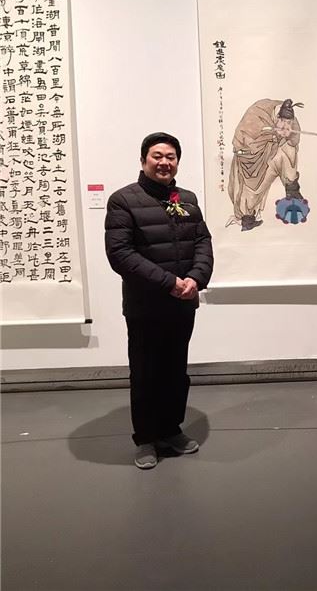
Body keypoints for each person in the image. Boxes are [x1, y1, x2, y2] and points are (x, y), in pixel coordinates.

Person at [105, 132, 213, 469]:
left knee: (176, 371)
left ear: (177, 162)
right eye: (157, 156)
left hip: (183, 303)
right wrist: (168, 282)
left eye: (171, 157)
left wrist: (196, 278)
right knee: (146, 372)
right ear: (143, 160)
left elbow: (203, 242)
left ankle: (170, 429)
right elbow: (120, 254)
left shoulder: (188, 199)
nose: (164, 162)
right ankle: (146, 438)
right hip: (145, 306)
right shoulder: (123, 201)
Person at [228, 98, 305, 231]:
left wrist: (287, 135)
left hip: (271, 154)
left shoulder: (292, 121)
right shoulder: (258, 113)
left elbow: (294, 140)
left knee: (288, 150)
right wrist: (272, 136)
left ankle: (292, 189)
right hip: (249, 156)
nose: (285, 124)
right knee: (251, 189)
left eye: (288, 122)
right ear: (277, 117)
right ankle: (247, 219)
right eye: (283, 121)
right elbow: (242, 141)